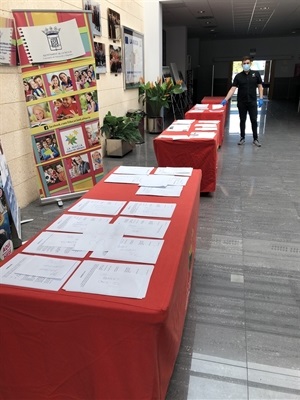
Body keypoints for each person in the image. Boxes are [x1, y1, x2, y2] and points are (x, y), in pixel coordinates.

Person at [221, 56, 263, 147]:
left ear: (250, 64)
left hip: (252, 102)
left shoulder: (256, 74)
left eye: (248, 63)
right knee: (242, 120)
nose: (246, 65)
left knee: (254, 120)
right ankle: (242, 137)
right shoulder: (238, 76)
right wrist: (226, 99)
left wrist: (261, 98)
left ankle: (255, 139)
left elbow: (260, 86)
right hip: (242, 102)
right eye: (244, 63)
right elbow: (232, 89)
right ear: (242, 64)